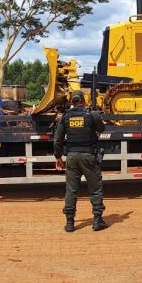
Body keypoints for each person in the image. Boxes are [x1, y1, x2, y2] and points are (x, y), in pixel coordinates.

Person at [53, 92, 108, 232]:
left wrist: (58, 157)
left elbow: (57, 140)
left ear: (72, 101)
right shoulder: (91, 115)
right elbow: (102, 129)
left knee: (71, 190)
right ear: (83, 101)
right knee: (95, 189)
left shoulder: (65, 117)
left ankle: (70, 222)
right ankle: (97, 221)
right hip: (88, 156)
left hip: (71, 156)